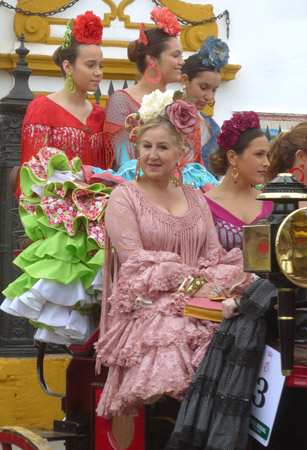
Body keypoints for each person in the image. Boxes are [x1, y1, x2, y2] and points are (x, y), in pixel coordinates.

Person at [94, 90, 250, 420]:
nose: (153, 154)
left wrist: (211, 289)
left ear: (181, 152)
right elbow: (137, 267)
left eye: (163, 147)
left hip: (201, 299)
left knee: (244, 322)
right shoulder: (125, 197)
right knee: (175, 328)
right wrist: (197, 286)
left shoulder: (195, 197)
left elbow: (216, 256)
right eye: (146, 146)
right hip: (144, 305)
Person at [1, 11, 109, 345]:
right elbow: (33, 177)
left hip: (99, 219)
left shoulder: (101, 115)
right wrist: (56, 222)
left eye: (100, 66)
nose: (98, 73)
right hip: (58, 222)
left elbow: (106, 174)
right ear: (67, 66)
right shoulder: (42, 109)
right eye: (90, 65)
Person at [97, 6, 218, 191]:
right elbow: (127, 164)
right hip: (140, 191)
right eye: (175, 55)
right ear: (152, 60)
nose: (181, 62)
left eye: (181, 56)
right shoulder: (121, 100)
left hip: (182, 192)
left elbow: (190, 160)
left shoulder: (182, 105)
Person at [204, 111, 272, 253]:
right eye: (259, 154)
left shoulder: (271, 203)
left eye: (268, 156)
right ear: (232, 157)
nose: (267, 163)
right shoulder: (204, 205)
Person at [181, 35, 229, 171]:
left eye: (214, 90)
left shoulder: (213, 129)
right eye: (203, 87)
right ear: (185, 80)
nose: (209, 96)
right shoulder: (163, 118)